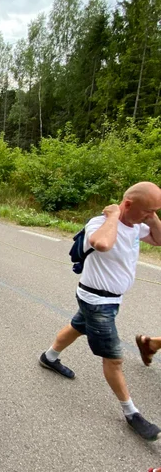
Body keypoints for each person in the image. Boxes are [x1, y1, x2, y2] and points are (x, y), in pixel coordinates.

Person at [40, 181, 161, 441]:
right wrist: (115, 215)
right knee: (114, 358)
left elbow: (159, 239)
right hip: (98, 302)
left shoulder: (138, 225)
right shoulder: (101, 223)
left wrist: (152, 220)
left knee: (77, 327)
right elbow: (102, 243)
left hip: (106, 300)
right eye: (148, 210)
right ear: (127, 205)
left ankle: (49, 357)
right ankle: (131, 413)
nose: (151, 215)